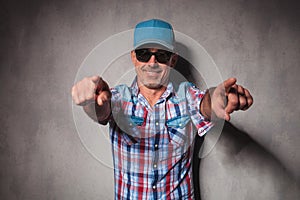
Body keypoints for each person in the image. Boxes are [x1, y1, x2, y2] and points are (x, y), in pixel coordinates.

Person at [71, 19, 253, 200]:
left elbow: (205, 103)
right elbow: (102, 109)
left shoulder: (187, 95)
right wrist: (90, 102)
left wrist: (216, 99)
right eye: (144, 54)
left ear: (172, 60)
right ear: (134, 57)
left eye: (162, 55)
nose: (152, 62)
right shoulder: (119, 98)